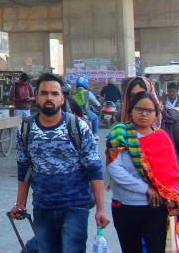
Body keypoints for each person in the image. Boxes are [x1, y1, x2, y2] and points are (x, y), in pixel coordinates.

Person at [11, 72, 108, 252]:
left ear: (62, 99)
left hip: (75, 207)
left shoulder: (78, 127)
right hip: (43, 207)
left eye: (54, 94)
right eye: (44, 93)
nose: (49, 98)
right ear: (36, 97)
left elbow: (94, 169)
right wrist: (20, 204)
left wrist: (100, 209)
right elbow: (24, 169)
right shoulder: (25, 129)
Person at [106, 90, 179, 253]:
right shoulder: (120, 135)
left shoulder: (162, 137)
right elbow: (114, 167)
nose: (144, 114)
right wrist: (146, 188)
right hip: (125, 208)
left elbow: (172, 172)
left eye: (149, 111)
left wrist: (170, 196)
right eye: (139, 109)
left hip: (155, 209)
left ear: (156, 114)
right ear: (130, 111)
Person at [120, 77, 179, 198]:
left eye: (141, 94)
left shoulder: (168, 119)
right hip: (134, 197)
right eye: (132, 96)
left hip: (168, 191)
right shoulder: (121, 128)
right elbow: (115, 164)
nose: (137, 100)